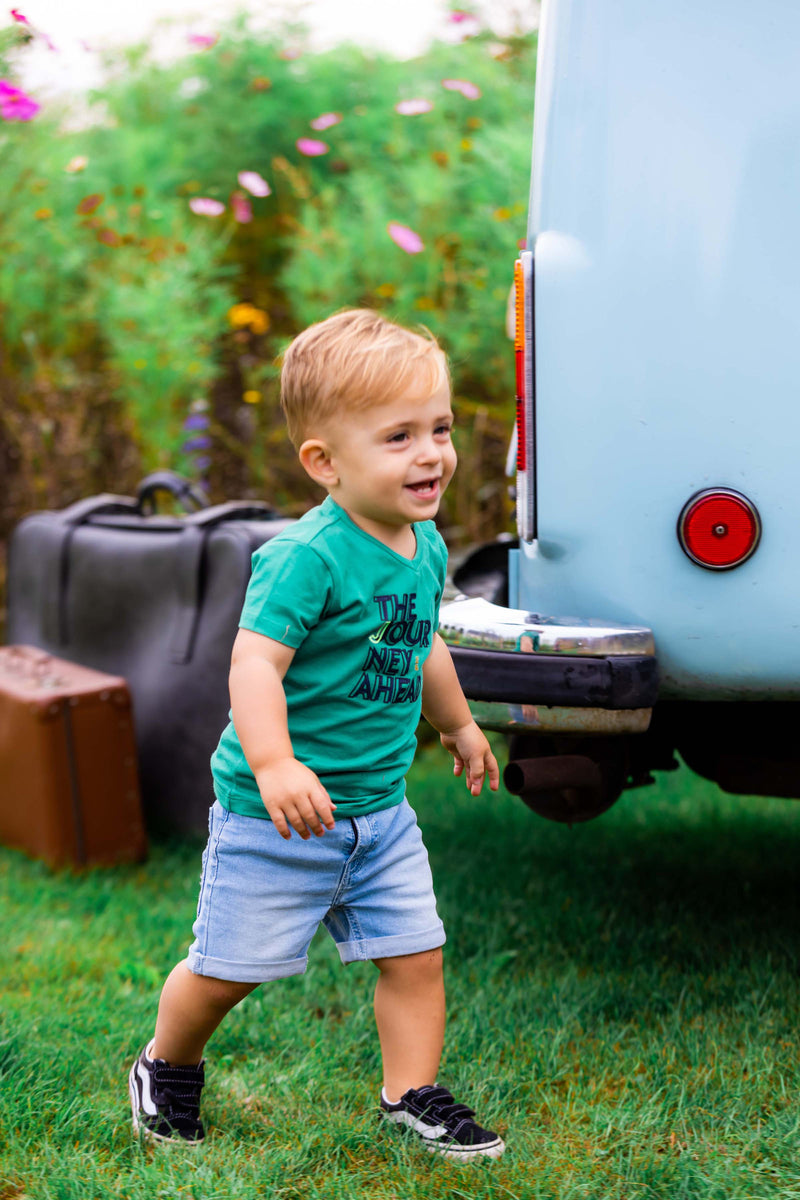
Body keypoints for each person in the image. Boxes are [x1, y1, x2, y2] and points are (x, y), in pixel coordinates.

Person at [128, 309, 505, 1161]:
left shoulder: (425, 544)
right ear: (324, 463)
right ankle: (165, 1063)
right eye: (399, 435)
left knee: (416, 955)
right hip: (278, 815)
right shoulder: (307, 557)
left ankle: (411, 1092)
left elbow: (423, 639)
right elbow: (254, 667)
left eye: (439, 429)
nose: (431, 453)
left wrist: (460, 723)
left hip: (379, 811)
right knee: (230, 969)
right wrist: (275, 762)